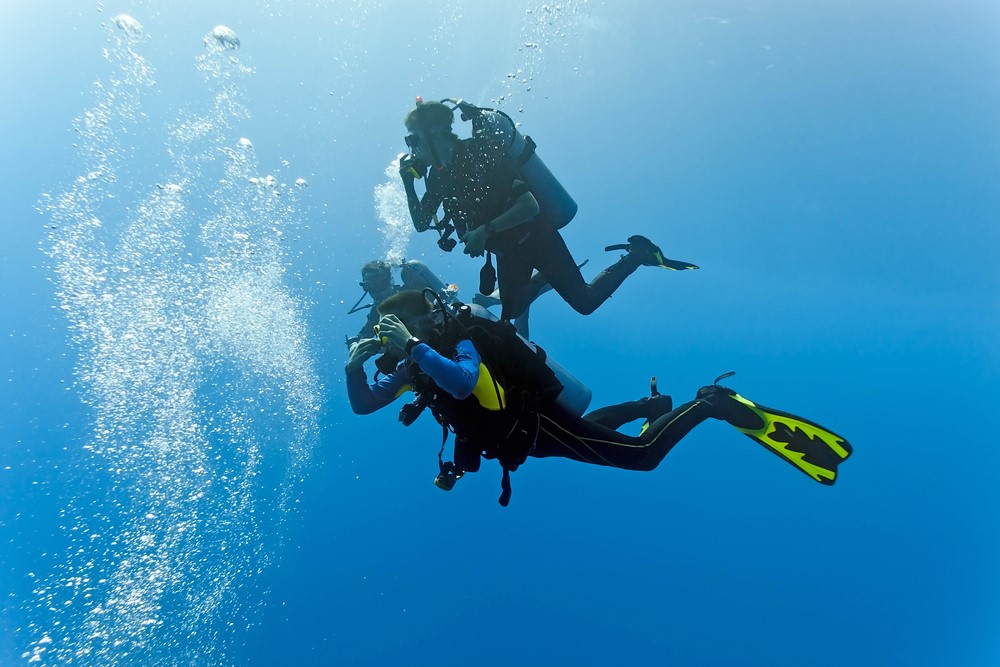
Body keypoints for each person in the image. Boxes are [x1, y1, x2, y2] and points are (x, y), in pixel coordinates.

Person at [345, 291, 852, 505]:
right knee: (603, 432)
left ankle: (710, 402)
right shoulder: (416, 371)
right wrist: (353, 367)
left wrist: (412, 345)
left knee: (643, 457)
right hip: (526, 441)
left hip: (535, 424)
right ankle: (652, 406)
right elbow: (366, 403)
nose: (396, 341)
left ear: (424, 322)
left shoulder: (459, 340)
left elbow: (461, 381)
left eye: (402, 328)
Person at [399, 99, 679, 323]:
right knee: (510, 315)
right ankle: (543, 278)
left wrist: (484, 232)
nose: (413, 148)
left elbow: (529, 205)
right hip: (508, 251)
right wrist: (408, 183)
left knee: (584, 302)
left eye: (414, 140)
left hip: (536, 237)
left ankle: (637, 255)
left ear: (435, 134)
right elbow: (423, 222)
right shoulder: (438, 178)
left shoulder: (479, 152)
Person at [346, 258, 455, 346]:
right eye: (369, 284)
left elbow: (437, 299)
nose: (376, 289)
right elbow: (366, 333)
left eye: (378, 281)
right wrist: (357, 340)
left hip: (448, 334)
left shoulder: (410, 292)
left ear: (388, 279)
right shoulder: (377, 312)